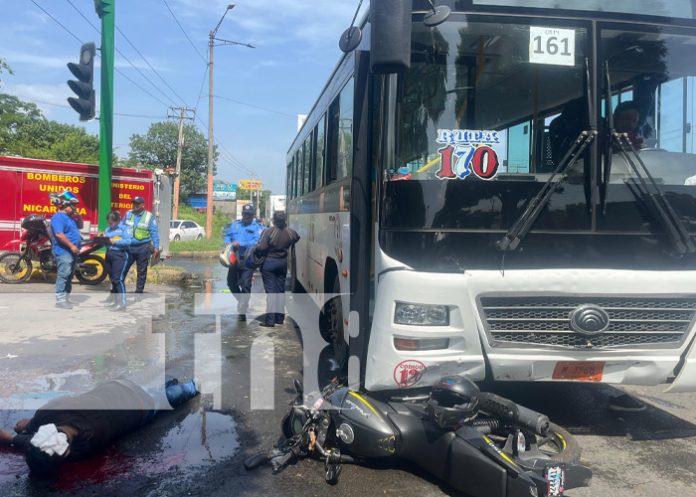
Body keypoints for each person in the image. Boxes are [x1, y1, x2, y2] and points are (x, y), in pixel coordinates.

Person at [0, 378, 199, 475]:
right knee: (157, 392)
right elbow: (26, 439)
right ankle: (173, 383)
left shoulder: (83, 448)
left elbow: (39, 446)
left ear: (67, 453)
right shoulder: (46, 414)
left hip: (141, 406)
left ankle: (192, 387)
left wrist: (20, 436)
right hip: (115, 385)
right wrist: (28, 425)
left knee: (167, 399)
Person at [255, 211, 300, 327]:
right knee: (280, 291)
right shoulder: (290, 232)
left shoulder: (269, 232)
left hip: (269, 264)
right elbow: (297, 238)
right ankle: (279, 319)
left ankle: (270, 320)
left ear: (274, 220)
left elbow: (262, 247)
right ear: (285, 220)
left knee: (271, 293)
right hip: (283, 264)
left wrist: (256, 248)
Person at [224, 204, 264, 320]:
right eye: (245, 214)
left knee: (245, 285)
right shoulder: (235, 225)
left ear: (253, 215)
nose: (247, 216)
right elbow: (227, 236)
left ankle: (242, 309)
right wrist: (227, 242)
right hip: (234, 259)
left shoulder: (258, 227)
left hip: (248, 260)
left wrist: (240, 244)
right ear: (242, 214)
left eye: (249, 214)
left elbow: (257, 242)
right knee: (231, 283)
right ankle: (242, 301)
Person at [48, 191, 83, 310]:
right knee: (63, 275)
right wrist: (71, 246)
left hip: (71, 252)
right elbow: (59, 234)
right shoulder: (58, 217)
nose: (74, 208)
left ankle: (66, 298)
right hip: (64, 251)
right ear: (64, 205)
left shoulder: (70, 217)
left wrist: (79, 218)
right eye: (72, 206)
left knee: (69, 275)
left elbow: (80, 227)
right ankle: (60, 300)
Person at [122, 196, 160, 294]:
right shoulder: (128, 214)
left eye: (137, 204)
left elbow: (154, 232)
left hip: (143, 247)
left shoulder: (149, 216)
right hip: (129, 247)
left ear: (142, 205)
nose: (135, 205)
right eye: (134, 203)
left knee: (141, 271)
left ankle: (139, 292)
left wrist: (156, 247)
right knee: (122, 269)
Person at [103, 211, 132, 311]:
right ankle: (115, 302)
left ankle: (122, 304)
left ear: (117, 220)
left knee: (118, 279)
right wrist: (102, 240)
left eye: (111, 223)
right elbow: (106, 243)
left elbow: (128, 241)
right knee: (112, 280)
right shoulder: (108, 229)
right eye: (109, 223)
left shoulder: (124, 228)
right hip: (109, 254)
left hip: (119, 255)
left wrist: (114, 241)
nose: (110, 225)